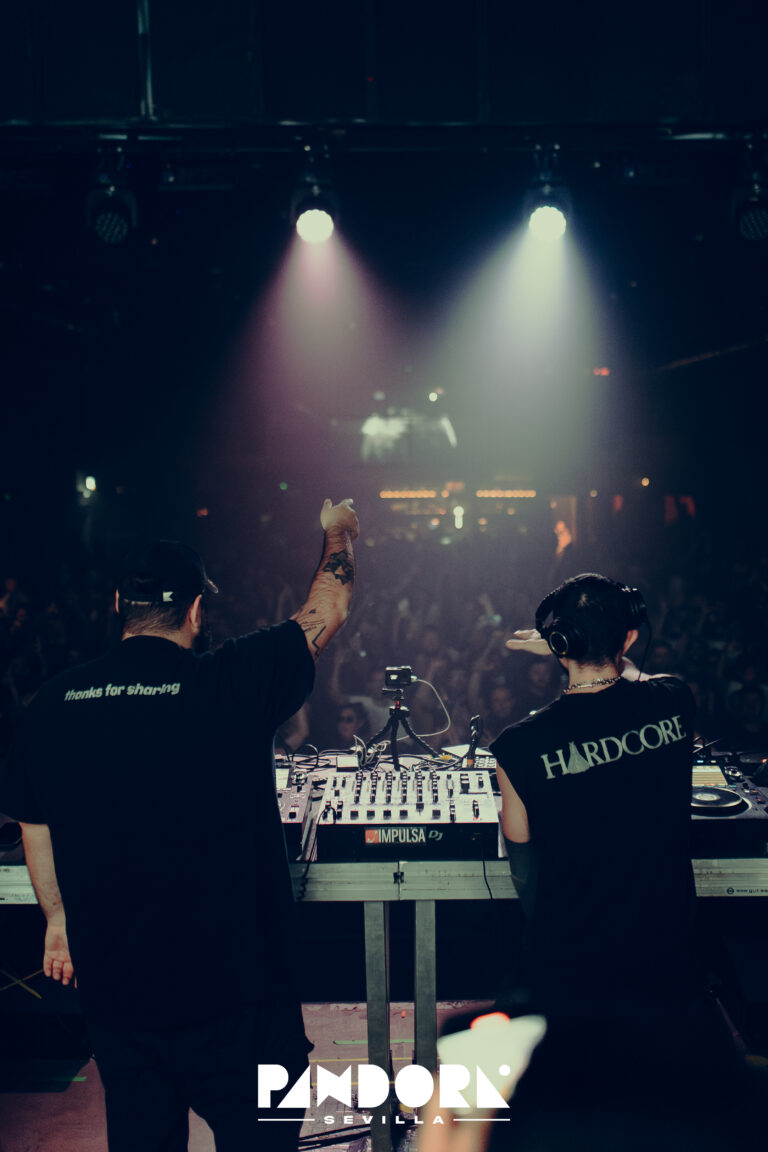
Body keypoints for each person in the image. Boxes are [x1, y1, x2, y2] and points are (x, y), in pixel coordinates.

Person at [0, 496, 358, 1152]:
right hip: (240, 1002)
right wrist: (339, 531)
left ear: (119, 606)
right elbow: (326, 609)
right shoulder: (231, 680)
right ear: (196, 611)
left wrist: (57, 918)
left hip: (120, 1002)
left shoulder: (53, 703)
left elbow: (34, 822)